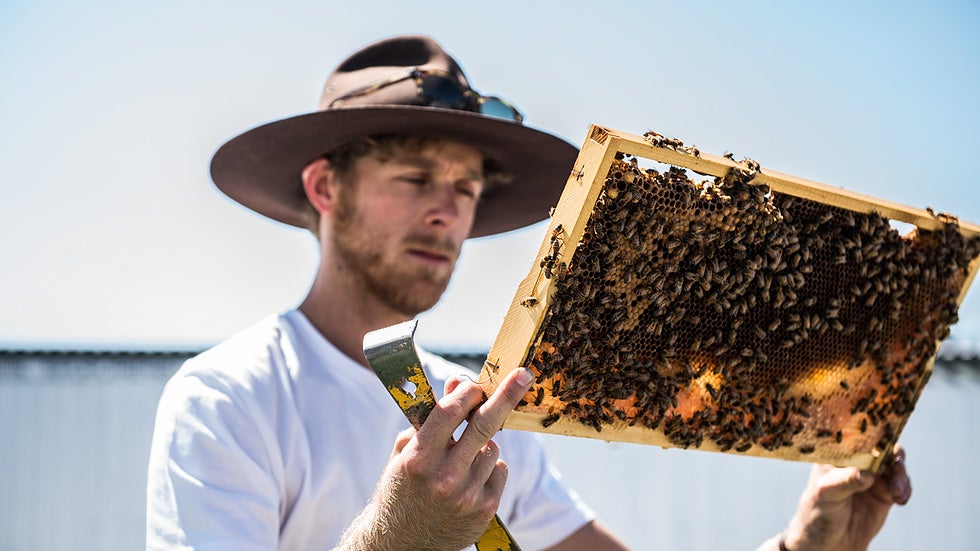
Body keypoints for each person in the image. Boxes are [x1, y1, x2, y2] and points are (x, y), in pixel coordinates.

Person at [146, 34, 912, 551]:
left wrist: (802, 546)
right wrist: (396, 538)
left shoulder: (477, 406)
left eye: (466, 188)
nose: (447, 211)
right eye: (414, 178)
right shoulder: (230, 397)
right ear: (325, 188)